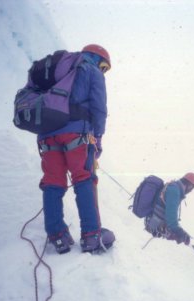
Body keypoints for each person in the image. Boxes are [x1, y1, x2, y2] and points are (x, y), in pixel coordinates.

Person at [37, 44, 115, 254]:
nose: (104, 71)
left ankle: (57, 236)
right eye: (104, 66)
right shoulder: (92, 70)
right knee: (84, 178)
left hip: (47, 133)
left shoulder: (57, 69)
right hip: (76, 132)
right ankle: (92, 235)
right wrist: (97, 140)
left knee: (53, 181)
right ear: (98, 58)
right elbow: (99, 109)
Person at [145, 172, 194, 245]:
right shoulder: (174, 191)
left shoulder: (174, 186)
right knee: (182, 241)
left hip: (153, 221)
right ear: (189, 185)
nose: (191, 191)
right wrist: (180, 232)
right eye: (192, 188)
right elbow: (171, 217)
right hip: (155, 226)